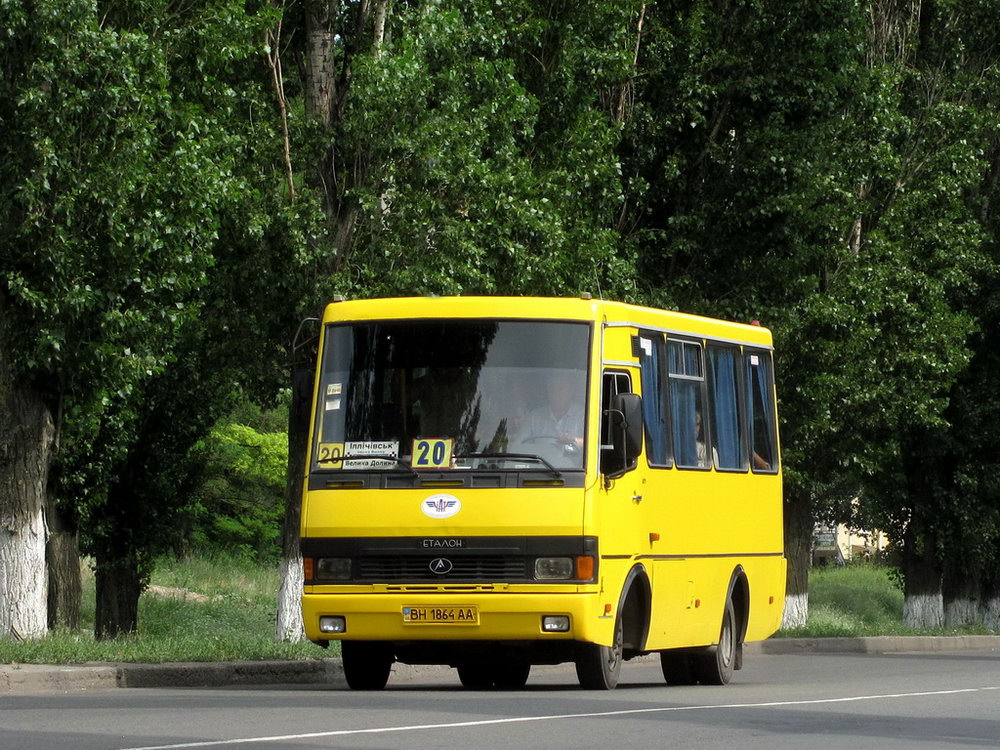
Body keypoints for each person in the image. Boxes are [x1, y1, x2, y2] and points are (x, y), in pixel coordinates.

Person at [511, 370, 584, 463]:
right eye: (551, 388)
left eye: (560, 388)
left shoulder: (583, 415)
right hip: (541, 472)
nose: (555, 393)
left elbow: (594, 445)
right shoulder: (534, 417)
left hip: (575, 473)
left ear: (571, 391)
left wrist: (574, 440)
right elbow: (518, 448)